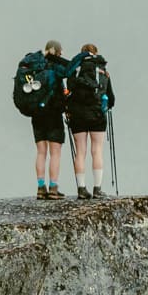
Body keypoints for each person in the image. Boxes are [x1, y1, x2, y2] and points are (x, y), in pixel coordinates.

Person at [64, 43, 115, 199]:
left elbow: (68, 93)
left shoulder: (74, 71)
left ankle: (81, 189)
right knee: (97, 150)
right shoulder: (103, 72)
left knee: (80, 151)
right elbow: (111, 98)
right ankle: (97, 189)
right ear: (96, 53)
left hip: (77, 115)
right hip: (97, 114)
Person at [27, 39, 73, 200]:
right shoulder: (55, 67)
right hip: (53, 114)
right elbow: (70, 70)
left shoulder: (34, 66)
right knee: (55, 153)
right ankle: (53, 188)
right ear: (58, 51)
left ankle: (41, 188)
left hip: (37, 114)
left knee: (41, 152)